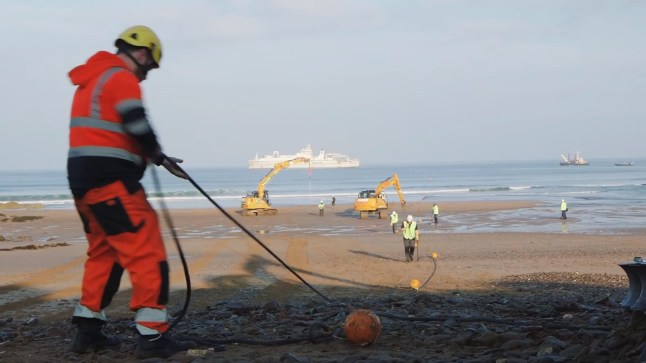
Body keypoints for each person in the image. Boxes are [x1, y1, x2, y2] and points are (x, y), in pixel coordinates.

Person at [67, 25, 196, 359]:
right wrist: (155, 154)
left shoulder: (93, 80)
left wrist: (160, 160)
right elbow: (135, 122)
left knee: (105, 251)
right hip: (112, 182)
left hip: (84, 182)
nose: (146, 76)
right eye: (149, 68)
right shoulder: (120, 77)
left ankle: (87, 330)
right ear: (142, 53)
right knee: (147, 250)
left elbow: (110, 133)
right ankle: (152, 338)